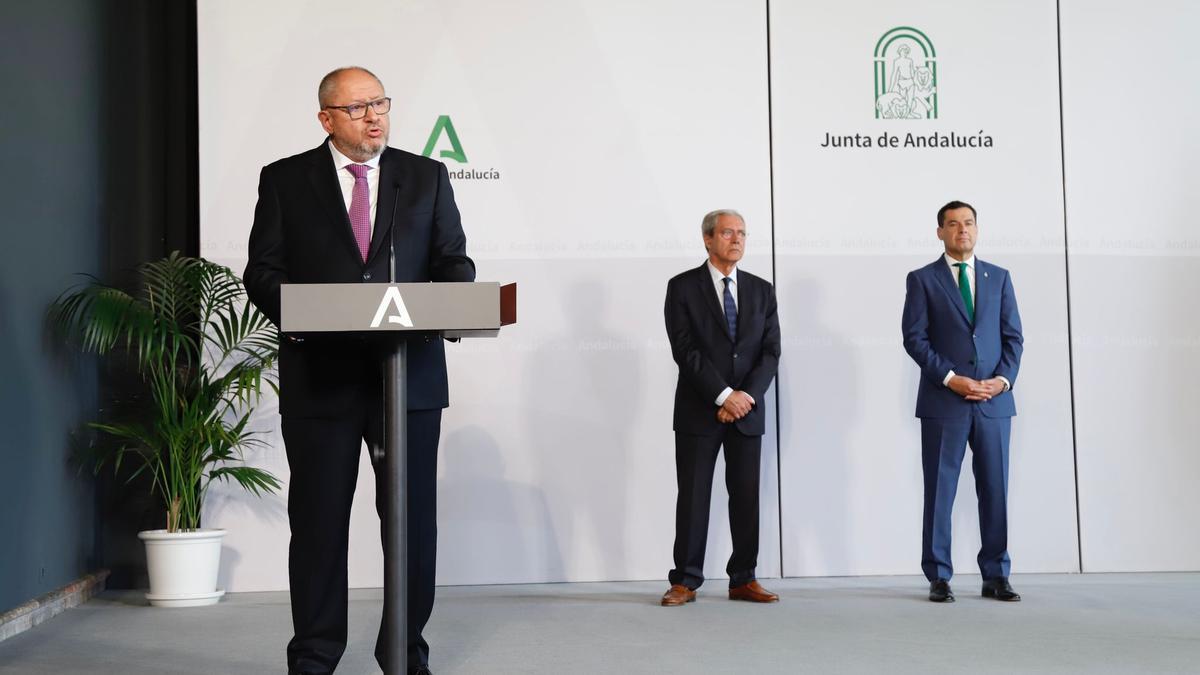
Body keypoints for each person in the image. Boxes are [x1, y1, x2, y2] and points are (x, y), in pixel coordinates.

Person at [244, 66, 474, 675]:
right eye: (357, 108)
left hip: (409, 377)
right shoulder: (286, 179)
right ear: (326, 118)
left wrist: (442, 305)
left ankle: (403, 652)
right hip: (321, 379)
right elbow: (262, 271)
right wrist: (303, 312)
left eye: (380, 104)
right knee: (319, 525)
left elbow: (454, 261)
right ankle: (316, 657)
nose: (374, 117)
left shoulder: (424, 176)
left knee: (410, 525)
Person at [901, 200, 1023, 604]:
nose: (962, 230)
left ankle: (996, 576)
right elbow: (914, 339)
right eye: (953, 224)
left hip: (993, 404)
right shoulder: (922, 279)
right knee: (941, 491)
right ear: (940, 232)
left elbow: (1013, 339)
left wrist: (1001, 382)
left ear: (977, 228)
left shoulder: (999, 277)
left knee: (995, 490)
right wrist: (952, 379)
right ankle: (938, 576)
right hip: (944, 401)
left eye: (968, 223)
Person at [661, 209, 781, 607]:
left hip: (747, 411)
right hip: (700, 410)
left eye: (742, 233)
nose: (737, 239)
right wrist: (722, 395)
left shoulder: (762, 290)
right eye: (728, 232)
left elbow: (770, 351)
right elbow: (686, 350)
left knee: (746, 496)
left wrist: (744, 397)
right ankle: (686, 581)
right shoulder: (682, 287)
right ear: (707, 239)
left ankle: (743, 579)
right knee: (694, 496)